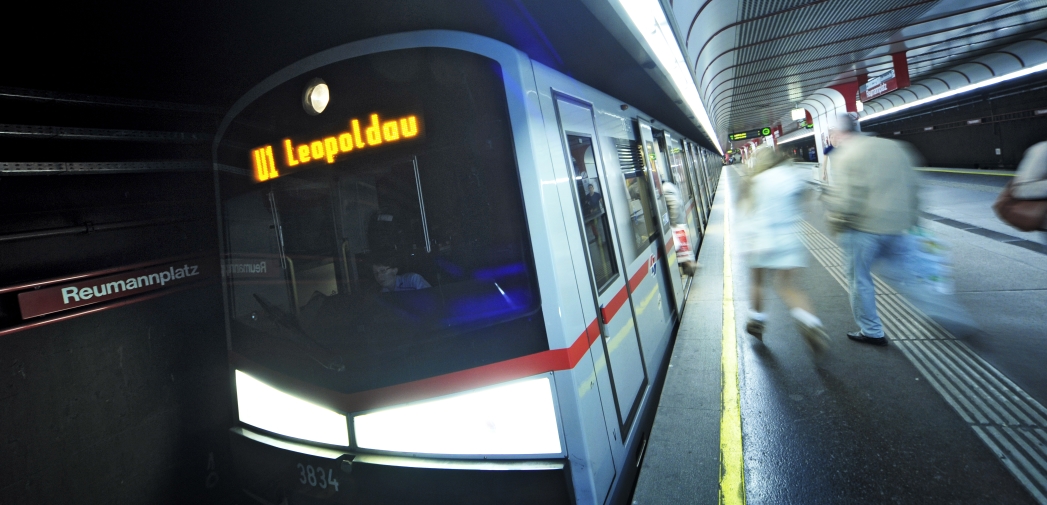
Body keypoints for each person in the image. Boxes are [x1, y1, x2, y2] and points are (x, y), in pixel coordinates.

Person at [822, 115, 919, 346]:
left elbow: (848, 199)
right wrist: (913, 219)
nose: (830, 137)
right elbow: (914, 185)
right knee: (913, 276)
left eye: (831, 132)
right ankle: (949, 316)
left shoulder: (847, 154)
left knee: (860, 280)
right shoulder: (893, 146)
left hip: (863, 229)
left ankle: (872, 331)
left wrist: (835, 221)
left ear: (838, 132)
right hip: (898, 227)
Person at [738, 146, 828, 350]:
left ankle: (756, 320)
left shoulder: (754, 181)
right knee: (789, 286)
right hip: (789, 239)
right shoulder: (790, 176)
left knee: (758, 282)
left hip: (761, 240)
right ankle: (811, 323)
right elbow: (804, 200)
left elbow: (746, 212)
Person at [662, 180, 698, 275]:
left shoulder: (665, 189)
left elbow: (674, 205)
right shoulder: (669, 186)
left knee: (681, 251)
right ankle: (690, 267)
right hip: (679, 223)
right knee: (683, 252)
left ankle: (691, 268)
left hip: (676, 225)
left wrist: (672, 225)